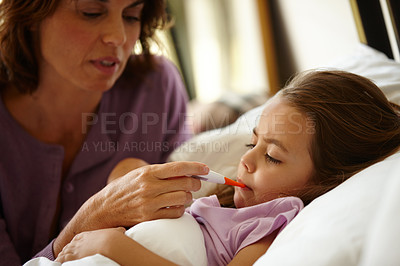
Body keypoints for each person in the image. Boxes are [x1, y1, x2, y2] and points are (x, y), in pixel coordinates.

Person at [53, 70, 400, 265]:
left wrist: (112, 247)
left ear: (324, 181)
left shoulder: (268, 228)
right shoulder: (219, 206)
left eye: (273, 157)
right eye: (253, 143)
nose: (246, 160)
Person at [0, 0, 207, 265]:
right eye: (92, 13)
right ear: (30, 13)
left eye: (131, 16)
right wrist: (90, 220)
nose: (118, 37)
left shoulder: (156, 87)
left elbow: (190, 235)